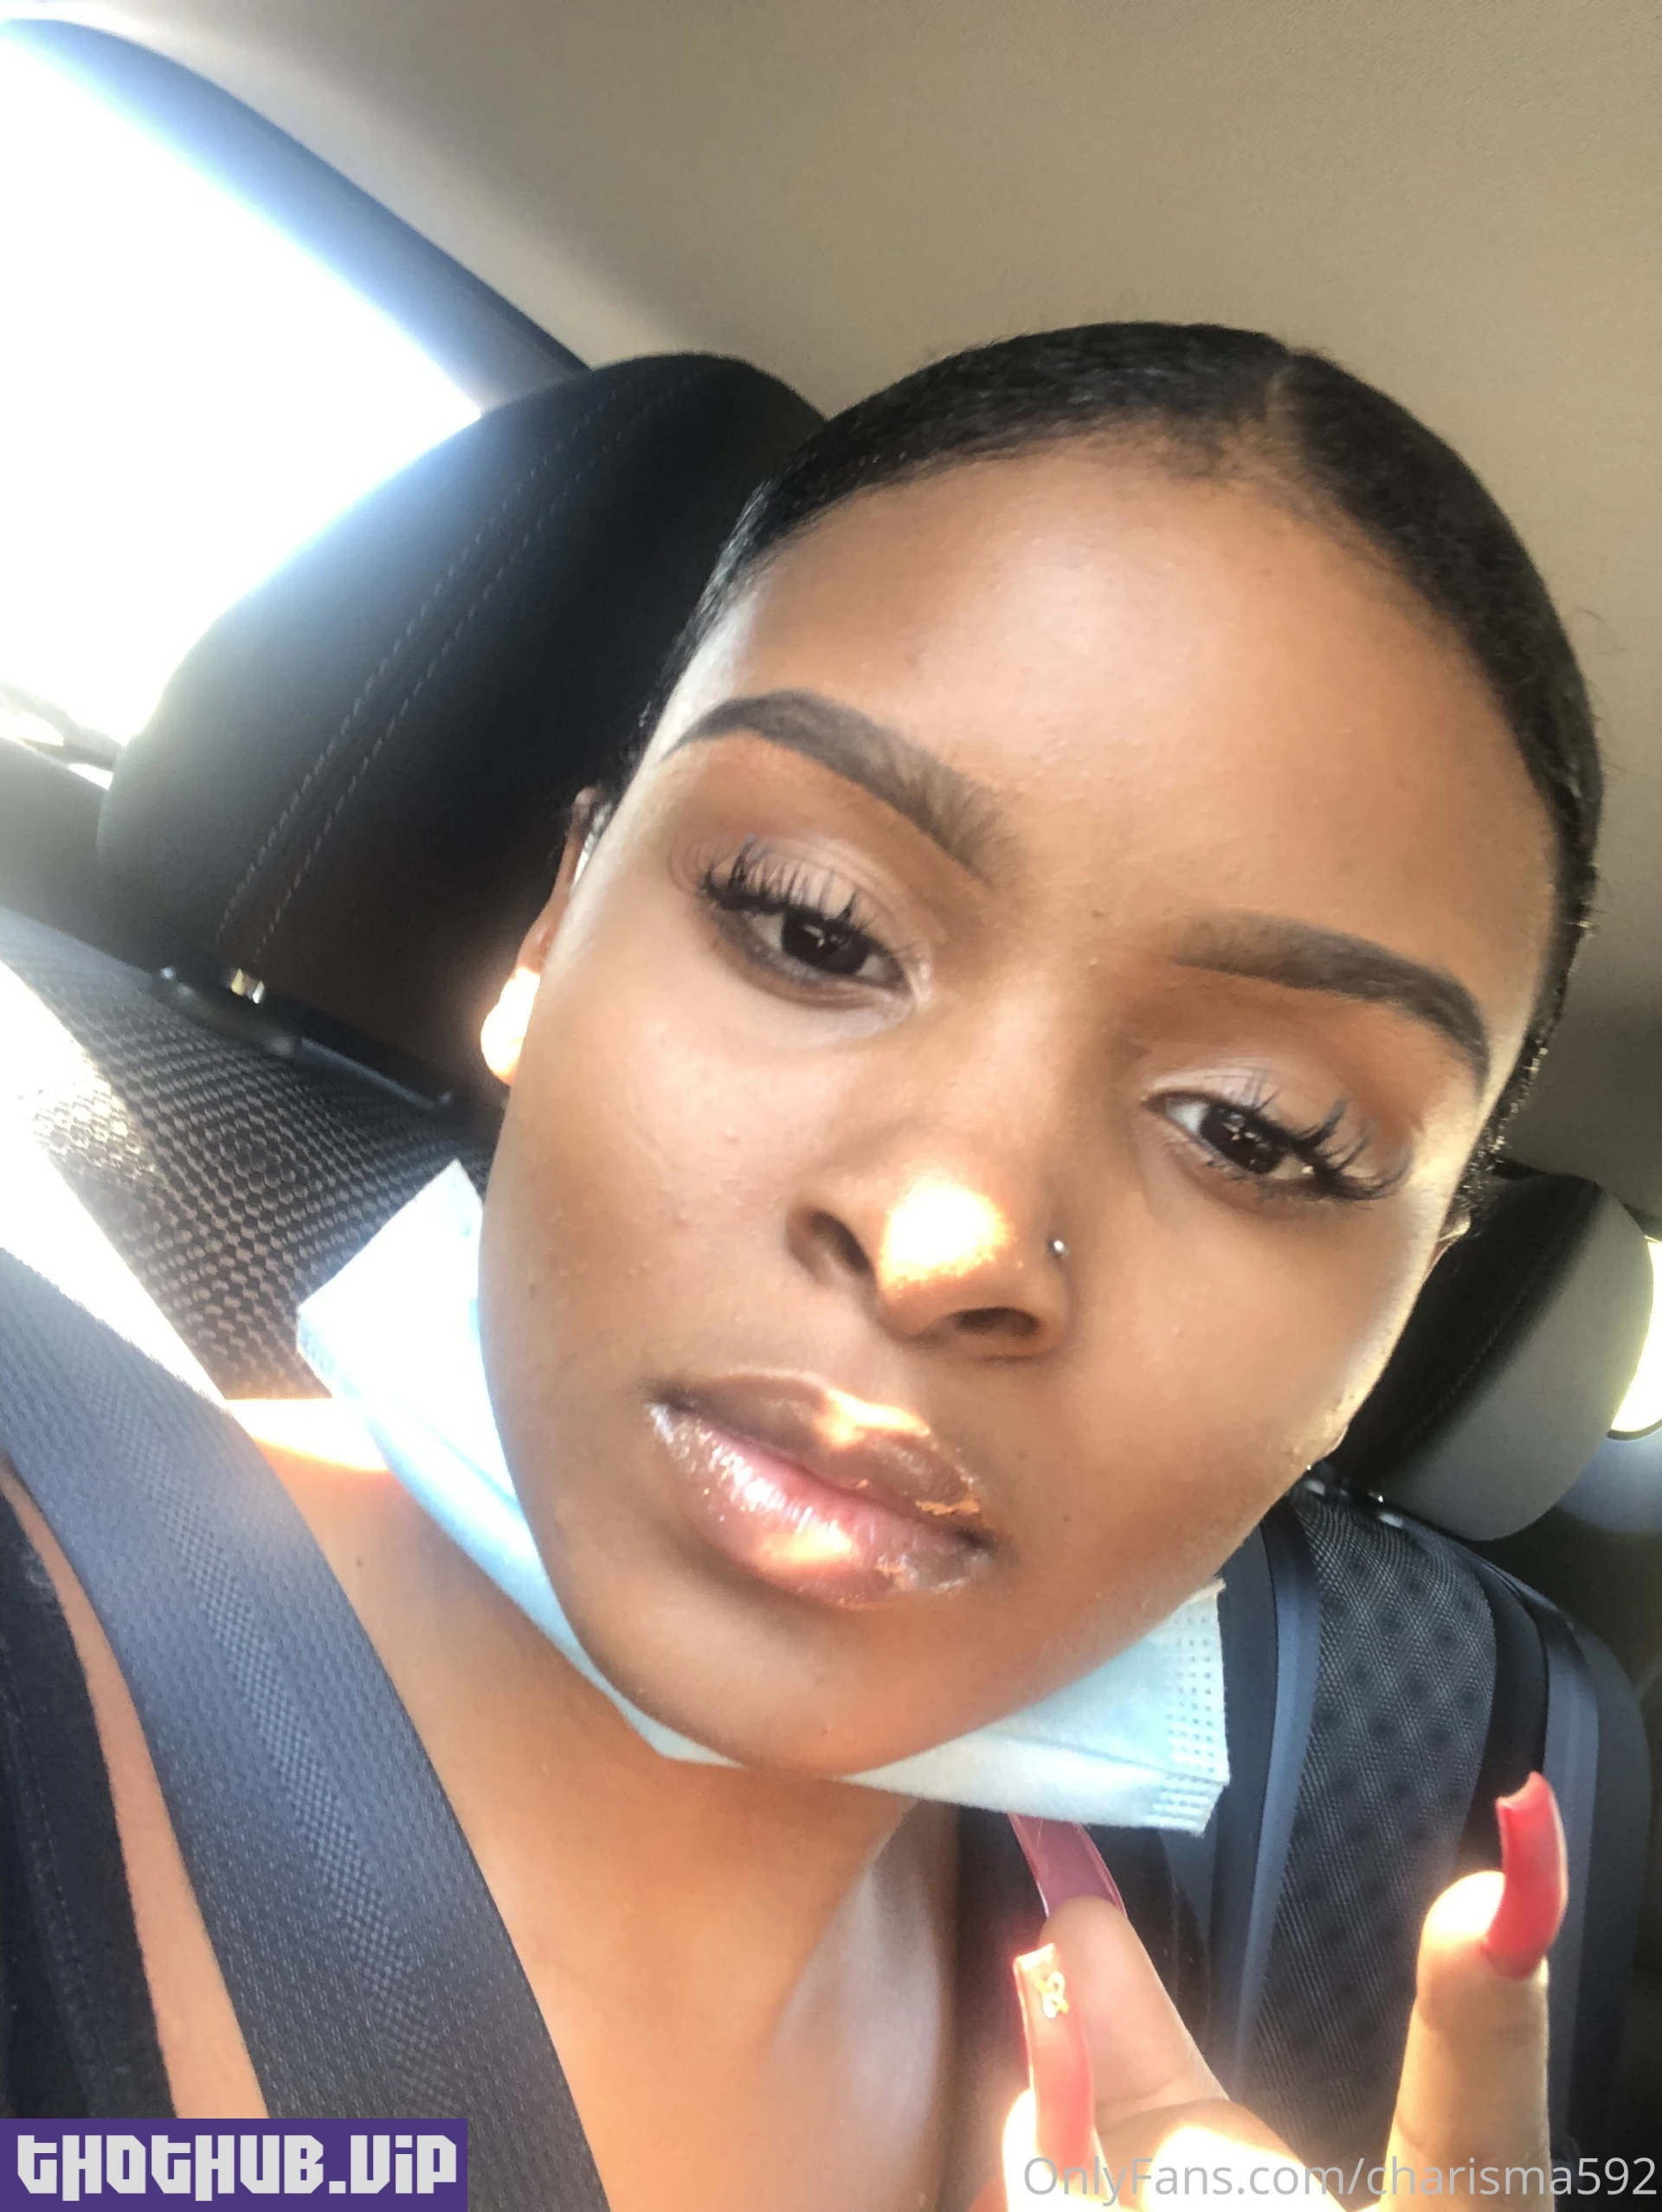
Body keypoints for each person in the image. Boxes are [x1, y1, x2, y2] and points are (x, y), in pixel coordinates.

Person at [0, 322, 1597, 2207]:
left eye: (1257, 1132)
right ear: (550, 933)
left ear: (1406, 1304)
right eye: (811, 927)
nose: (944, 1245)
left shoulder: (1213, 1997)